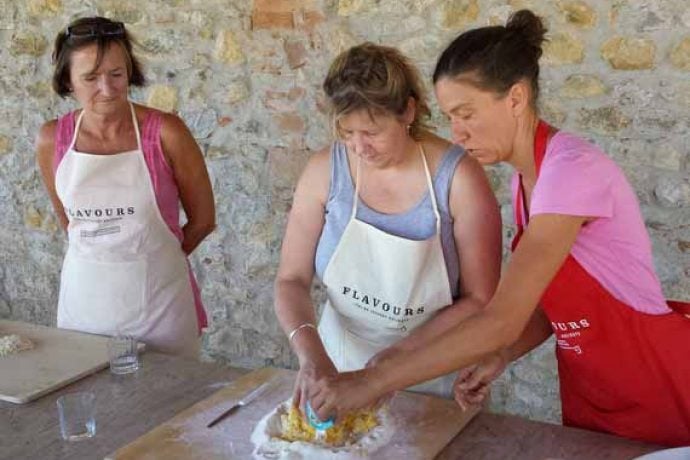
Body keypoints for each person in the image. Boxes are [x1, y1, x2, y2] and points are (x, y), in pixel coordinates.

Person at [305, 11, 690, 447]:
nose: (457, 132)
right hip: (596, 387)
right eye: (450, 117)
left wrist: (373, 380)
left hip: (652, 383)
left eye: (466, 113)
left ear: (516, 98)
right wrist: (502, 354)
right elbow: (554, 304)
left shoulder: (572, 171)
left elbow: (501, 316)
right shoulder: (527, 181)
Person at [274, 43, 502, 411]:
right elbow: (291, 280)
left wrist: (389, 364)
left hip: (433, 370)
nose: (360, 147)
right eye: (347, 133)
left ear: (408, 111)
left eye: (372, 132)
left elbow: (479, 299)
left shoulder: (459, 179)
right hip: (338, 367)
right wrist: (311, 355)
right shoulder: (323, 171)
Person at [36, 17, 215, 357]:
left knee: (172, 404)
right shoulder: (51, 139)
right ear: (68, 81)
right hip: (83, 311)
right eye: (90, 78)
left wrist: (154, 258)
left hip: (160, 311)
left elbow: (204, 220)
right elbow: (69, 224)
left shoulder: (166, 133)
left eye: (117, 75)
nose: (107, 88)